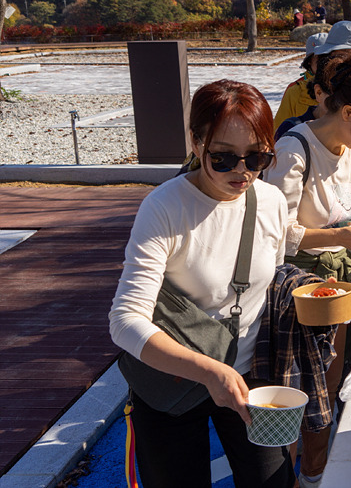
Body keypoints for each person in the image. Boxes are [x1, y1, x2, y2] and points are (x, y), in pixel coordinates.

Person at [109, 80, 303, 487]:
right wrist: (209, 371)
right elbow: (125, 321)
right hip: (171, 382)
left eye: (257, 157)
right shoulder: (164, 207)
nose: (242, 171)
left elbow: (270, 279)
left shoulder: (269, 201)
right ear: (197, 144)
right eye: (223, 158)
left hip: (247, 378)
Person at [262, 52, 351, 488]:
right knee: (294, 393)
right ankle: (286, 476)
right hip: (296, 292)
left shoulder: (350, 151)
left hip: (338, 285)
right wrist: (341, 237)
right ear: (347, 112)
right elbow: (276, 233)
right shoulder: (294, 149)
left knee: (328, 385)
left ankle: (316, 473)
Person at [274, 32, 328, 133]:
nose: (325, 64)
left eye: (328, 57)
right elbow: (279, 131)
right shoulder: (295, 90)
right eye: (319, 60)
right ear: (309, 61)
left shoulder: (343, 86)